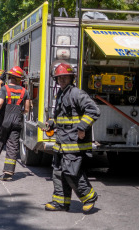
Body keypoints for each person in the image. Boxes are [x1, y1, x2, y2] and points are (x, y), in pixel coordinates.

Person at [41, 62, 100, 213]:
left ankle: (89, 197)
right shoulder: (61, 94)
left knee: (71, 171)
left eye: (65, 77)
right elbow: (64, 118)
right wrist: (51, 124)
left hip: (73, 143)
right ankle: (61, 202)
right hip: (62, 142)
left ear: (71, 78)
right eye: (59, 78)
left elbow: (93, 110)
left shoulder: (76, 93)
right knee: (58, 172)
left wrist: (82, 128)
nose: (61, 80)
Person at [0, 66, 29, 181]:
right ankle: (8, 173)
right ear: (19, 79)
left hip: (3, 122)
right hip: (16, 122)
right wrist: (19, 112)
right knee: (12, 147)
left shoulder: (4, 89)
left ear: (10, 77)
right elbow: (27, 109)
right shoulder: (24, 91)